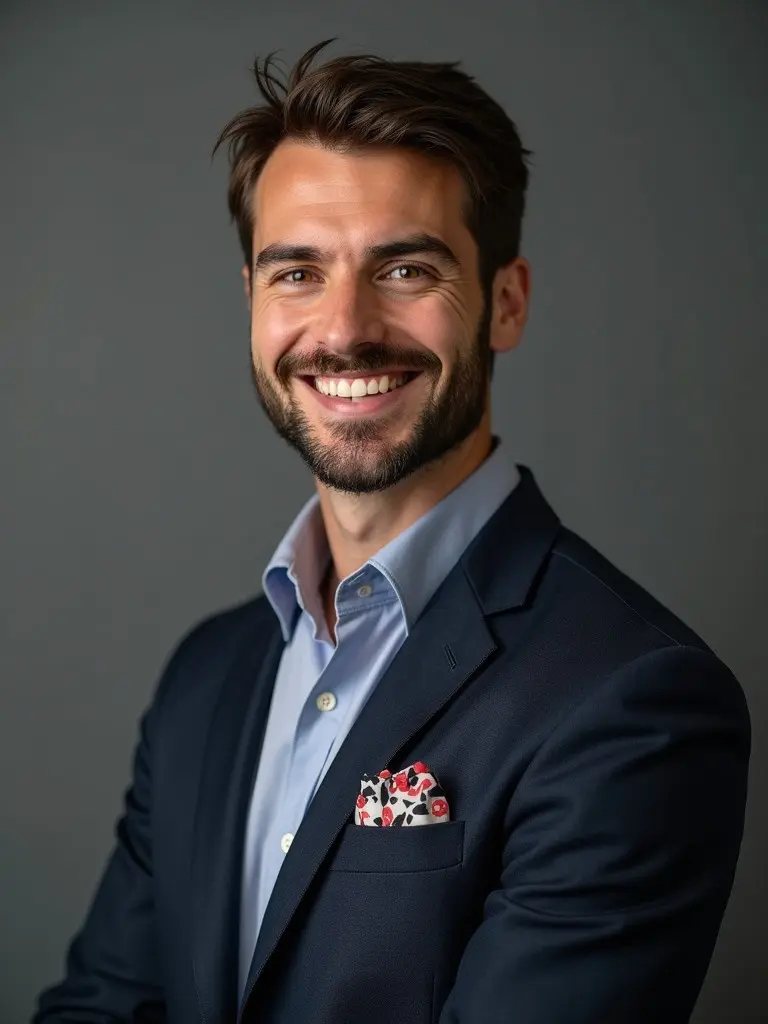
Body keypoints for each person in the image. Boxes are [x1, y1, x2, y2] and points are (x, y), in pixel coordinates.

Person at [34, 39, 750, 1024]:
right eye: (297, 273)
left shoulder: (634, 699)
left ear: (505, 302)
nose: (343, 328)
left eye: (405, 268)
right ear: (249, 299)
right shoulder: (206, 681)